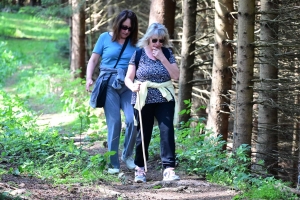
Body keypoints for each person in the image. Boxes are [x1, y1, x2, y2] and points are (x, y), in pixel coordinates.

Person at [124, 23, 180, 183]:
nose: (158, 44)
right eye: (155, 40)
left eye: (161, 41)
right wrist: (132, 86)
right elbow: (128, 77)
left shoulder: (168, 53)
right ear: (148, 38)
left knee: (167, 131)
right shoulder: (138, 54)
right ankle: (140, 168)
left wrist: (162, 58)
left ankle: (169, 169)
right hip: (143, 97)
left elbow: (176, 75)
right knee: (143, 133)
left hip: (164, 97)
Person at [86, 10, 139, 174]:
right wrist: (89, 78)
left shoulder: (135, 44)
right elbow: (94, 59)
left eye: (130, 29)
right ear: (117, 25)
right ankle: (113, 163)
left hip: (127, 85)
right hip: (108, 84)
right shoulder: (104, 38)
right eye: (124, 27)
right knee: (115, 122)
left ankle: (128, 155)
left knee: (133, 120)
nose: (126, 31)